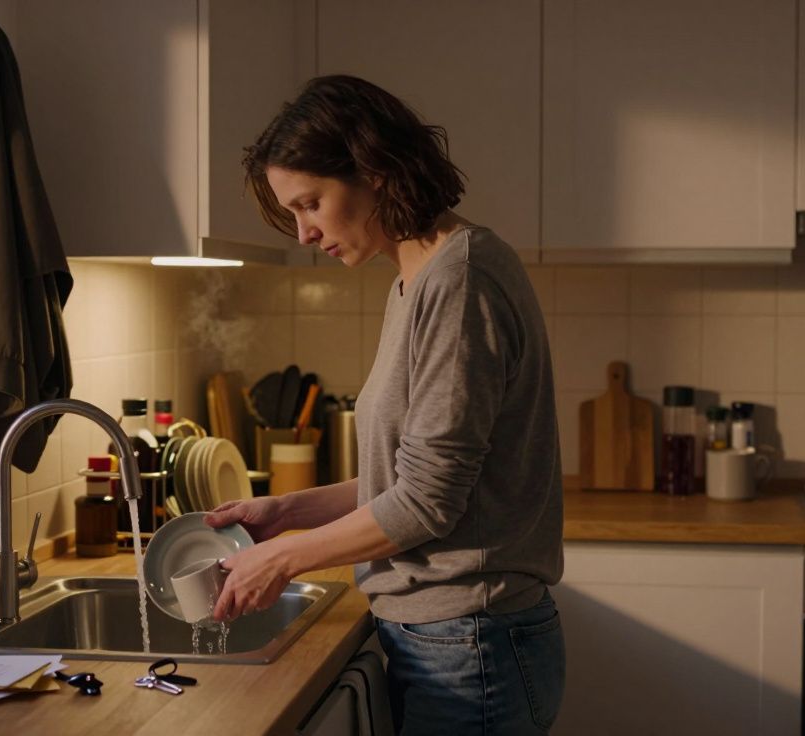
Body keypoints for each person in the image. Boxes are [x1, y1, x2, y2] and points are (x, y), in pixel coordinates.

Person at [206, 74, 565, 735]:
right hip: (448, 640)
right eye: (291, 215)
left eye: (309, 203)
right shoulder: (417, 278)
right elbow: (410, 479)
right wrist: (284, 513)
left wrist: (282, 558)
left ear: (373, 169)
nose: (304, 233)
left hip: (471, 645)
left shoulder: (459, 281)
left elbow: (429, 502)